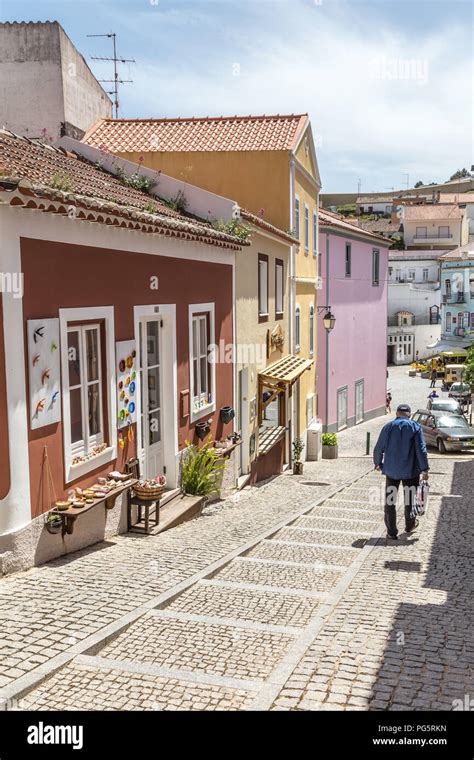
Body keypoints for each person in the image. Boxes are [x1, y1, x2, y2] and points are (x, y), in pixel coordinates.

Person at [373, 403, 429, 540]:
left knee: (390, 500)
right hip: (411, 471)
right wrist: (425, 469)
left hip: (391, 470)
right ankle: (409, 525)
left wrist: (378, 463)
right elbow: (421, 450)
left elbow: (379, 447)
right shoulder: (415, 427)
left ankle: (391, 532)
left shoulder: (388, 427)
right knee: (410, 499)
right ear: (409, 414)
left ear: (397, 413)